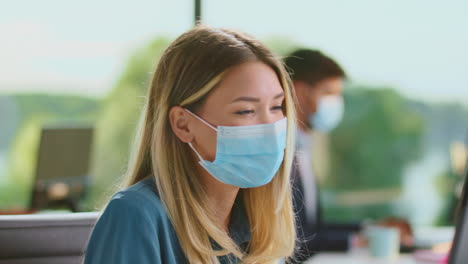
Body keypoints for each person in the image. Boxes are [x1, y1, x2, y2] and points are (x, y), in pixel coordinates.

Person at [84, 26, 298, 264]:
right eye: (246, 111)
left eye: (277, 107)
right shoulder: (136, 216)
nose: (270, 127)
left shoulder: (255, 227)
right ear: (183, 124)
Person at [284, 49, 412, 262]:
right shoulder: (283, 153)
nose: (336, 102)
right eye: (329, 93)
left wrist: (369, 228)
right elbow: (296, 237)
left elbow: (313, 226)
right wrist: (357, 240)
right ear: (300, 92)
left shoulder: (303, 147)